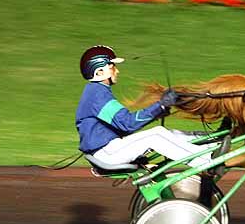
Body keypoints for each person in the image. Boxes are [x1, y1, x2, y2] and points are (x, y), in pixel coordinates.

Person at [75, 45, 216, 169]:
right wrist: (160, 106)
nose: (117, 71)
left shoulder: (96, 91)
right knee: (157, 135)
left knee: (170, 134)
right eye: (113, 67)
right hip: (107, 153)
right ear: (99, 72)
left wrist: (160, 110)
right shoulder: (97, 94)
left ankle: (212, 142)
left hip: (110, 148)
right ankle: (205, 162)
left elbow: (122, 124)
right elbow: (128, 123)